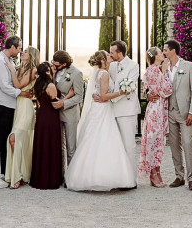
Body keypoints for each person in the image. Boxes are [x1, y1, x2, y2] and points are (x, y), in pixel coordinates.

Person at [65, 50, 136, 191]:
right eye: (108, 55)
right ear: (103, 60)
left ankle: (86, 175)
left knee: (94, 139)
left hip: (98, 109)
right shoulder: (105, 74)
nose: (110, 56)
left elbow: (97, 93)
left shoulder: (100, 72)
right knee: (104, 139)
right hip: (103, 109)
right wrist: (121, 92)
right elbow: (103, 96)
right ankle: (103, 176)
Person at [149, 39, 192, 191]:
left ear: (173, 51)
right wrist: (149, 94)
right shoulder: (161, 68)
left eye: (165, 50)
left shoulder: (189, 66)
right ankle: (179, 176)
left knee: (188, 144)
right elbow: (152, 84)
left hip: (185, 113)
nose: (163, 52)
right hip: (168, 112)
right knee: (174, 145)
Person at [0, 35, 33, 188]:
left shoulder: (10, 62)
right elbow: (5, 86)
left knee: (5, 141)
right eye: (19, 48)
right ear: (12, 47)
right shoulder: (0, 62)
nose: (20, 51)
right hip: (1, 105)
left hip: (9, 105)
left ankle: (4, 173)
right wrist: (21, 93)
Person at [94, 40, 140, 180]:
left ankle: (131, 179)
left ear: (120, 53)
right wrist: (97, 94)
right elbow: (102, 82)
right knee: (116, 146)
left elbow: (129, 88)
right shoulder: (111, 65)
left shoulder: (133, 65)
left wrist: (107, 98)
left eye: (112, 52)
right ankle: (119, 177)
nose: (110, 54)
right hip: (111, 110)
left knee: (128, 145)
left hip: (127, 110)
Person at [4, 45, 39, 188]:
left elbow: (18, 86)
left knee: (14, 138)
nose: (22, 53)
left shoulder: (33, 70)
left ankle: (18, 176)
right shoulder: (19, 68)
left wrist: (12, 70)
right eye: (22, 51)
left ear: (31, 56)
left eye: (25, 52)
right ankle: (22, 174)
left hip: (26, 108)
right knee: (20, 142)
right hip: (17, 107)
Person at [138, 47, 172, 187]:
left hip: (160, 108)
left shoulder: (157, 70)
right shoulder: (153, 70)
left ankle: (157, 171)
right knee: (153, 141)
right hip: (155, 109)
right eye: (160, 52)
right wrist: (163, 72)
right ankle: (153, 174)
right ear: (156, 57)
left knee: (159, 141)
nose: (163, 54)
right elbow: (166, 90)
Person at [30, 62, 62, 190]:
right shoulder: (50, 85)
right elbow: (56, 103)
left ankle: (39, 176)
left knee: (42, 144)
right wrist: (69, 95)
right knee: (50, 144)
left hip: (41, 116)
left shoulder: (38, 84)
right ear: (48, 72)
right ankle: (50, 179)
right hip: (50, 118)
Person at [51, 50, 84, 168]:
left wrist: (63, 103)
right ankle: (60, 173)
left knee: (71, 148)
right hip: (55, 113)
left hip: (70, 114)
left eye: (57, 65)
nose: (54, 66)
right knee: (58, 146)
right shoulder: (53, 70)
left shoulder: (76, 73)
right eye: (53, 63)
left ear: (64, 64)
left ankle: (71, 174)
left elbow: (79, 96)